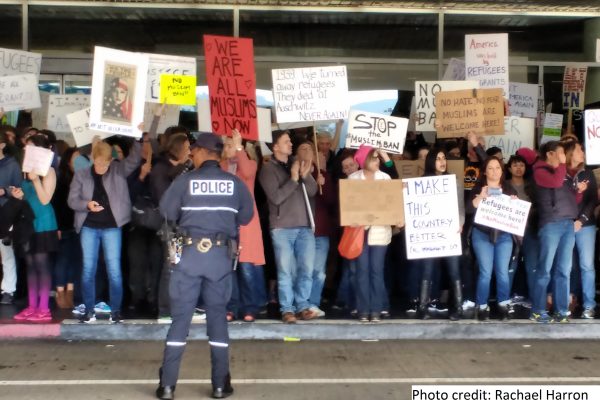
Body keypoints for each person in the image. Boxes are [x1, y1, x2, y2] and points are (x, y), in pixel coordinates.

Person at [156, 132, 254, 400]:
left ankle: (167, 386)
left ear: (201, 152)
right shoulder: (234, 183)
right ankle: (220, 385)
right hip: (219, 260)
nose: (191, 153)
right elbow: (246, 216)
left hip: (188, 257)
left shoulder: (186, 180)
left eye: (193, 149)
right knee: (217, 318)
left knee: (181, 319)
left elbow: (166, 211)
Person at [68, 136, 141, 323]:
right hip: (88, 226)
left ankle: (116, 310)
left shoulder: (118, 170)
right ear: (93, 157)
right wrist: (87, 205)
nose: (101, 167)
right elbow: (72, 200)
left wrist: (139, 137)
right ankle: (89, 310)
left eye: (105, 164)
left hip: (112, 227)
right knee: (88, 269)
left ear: (111, 160)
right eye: (98, 163)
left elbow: (134, 158)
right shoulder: (82, 174)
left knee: (114, 270)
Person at [258, 130, 319, 324]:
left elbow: (312, 191)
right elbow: (276, 198)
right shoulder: (268, 169)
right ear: (275, 146)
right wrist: (293, 179)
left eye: (290, 141)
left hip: (305, 225)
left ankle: (302, 304)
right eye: (286, 141)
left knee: (306, 269)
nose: (291, 144)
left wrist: (305, 175)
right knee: (285, 270)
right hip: (282, 227)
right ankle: (287, 308)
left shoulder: (297, 162)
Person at [530, 141, 580, 323]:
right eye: (560, 153)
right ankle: (537, 310)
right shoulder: (539, 171)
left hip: (567, 223)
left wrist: (578, 190)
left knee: (564, 270)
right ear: (550, 154)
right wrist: (562, 166)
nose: (563, 156)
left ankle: (561, 310)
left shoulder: (562, 172)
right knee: (545, 269)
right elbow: (556, 181)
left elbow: (570, 196)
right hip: (551, 223)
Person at [12, 134, 59, 322]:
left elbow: (45, 199)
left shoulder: (49, 171)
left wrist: (36, 180)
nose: (25, 150)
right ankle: (32, 306)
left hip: (44, 223)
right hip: (28, 223)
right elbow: (28, 196)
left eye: (30, 148)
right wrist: (18, 194)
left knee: (42, 265)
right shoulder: (25, 171)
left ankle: (44, 308)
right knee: (30, 265)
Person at [221, 129, 267, 322]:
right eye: (227, 145)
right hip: (226, 223)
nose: (229, 148)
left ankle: (250, 307)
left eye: (232, 145)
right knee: (229, 268)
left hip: (246, 223)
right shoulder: (221, 166)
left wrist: (240, 147)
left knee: (246, 267)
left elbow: (247, 172)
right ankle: (231, 307)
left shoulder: (249, 164)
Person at [348, 145, 396, 322]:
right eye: (373, 158)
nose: (377, 162)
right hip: (359, 231)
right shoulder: (352, 179)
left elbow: (392, 203)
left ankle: (376, 309)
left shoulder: (385, 178)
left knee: (376, 270)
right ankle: (363, 310)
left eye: (377, 159)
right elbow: (348, 205)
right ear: (363, 160)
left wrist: (397, 218)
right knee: (362, 270)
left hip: (380, 230)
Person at [417, 148, 465, 321]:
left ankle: (457, 307)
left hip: (449, 232)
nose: (442, 161)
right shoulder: (421, 183)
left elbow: (460, 207)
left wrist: (460, 223)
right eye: (438, 158)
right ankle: (422, 307)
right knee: (427, 270)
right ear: (431, 162)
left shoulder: (455, 181)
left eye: (444, 158)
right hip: (429, 232)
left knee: (453, 270)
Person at [468, 156, 517, 321]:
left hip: (503, 235)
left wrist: (515, 203)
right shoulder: (478, 187)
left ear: (502, 170)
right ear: (484, 171)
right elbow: (470, 207)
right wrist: (481, 196)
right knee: (485, 272)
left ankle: (503, 304)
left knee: (502, 272)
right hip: (482, 234)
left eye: (497, 167)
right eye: (490, 168)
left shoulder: (509, 188)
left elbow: (516, 213)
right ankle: (482, 306)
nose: (495, 171)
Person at [563, 140, 598, 319]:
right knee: (566, 266)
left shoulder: (588, 173)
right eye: (579, 150)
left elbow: (593, 199)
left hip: (586, 225)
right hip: (565, 224)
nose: (582, 153)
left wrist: (581, 220)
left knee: (586, 265)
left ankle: (589, 305)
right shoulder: (561, 173)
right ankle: (567, 302)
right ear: (570, 153)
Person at [52, 147, 81, 309]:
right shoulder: (61, 179)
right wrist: (57, 227)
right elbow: (55, 205)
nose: (78, 162)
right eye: (75, 158)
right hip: (63, 227)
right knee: (62, 260)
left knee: (74, 259)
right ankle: (60, 291)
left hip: (77, 226)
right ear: (67, 160)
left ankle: (70, 291)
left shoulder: (82, 178)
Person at [0, 129, 22, 305]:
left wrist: (4, 191)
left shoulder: (12, 165)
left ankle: (9, 290)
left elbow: (18, 190)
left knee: (6, 253)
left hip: (6, 212)